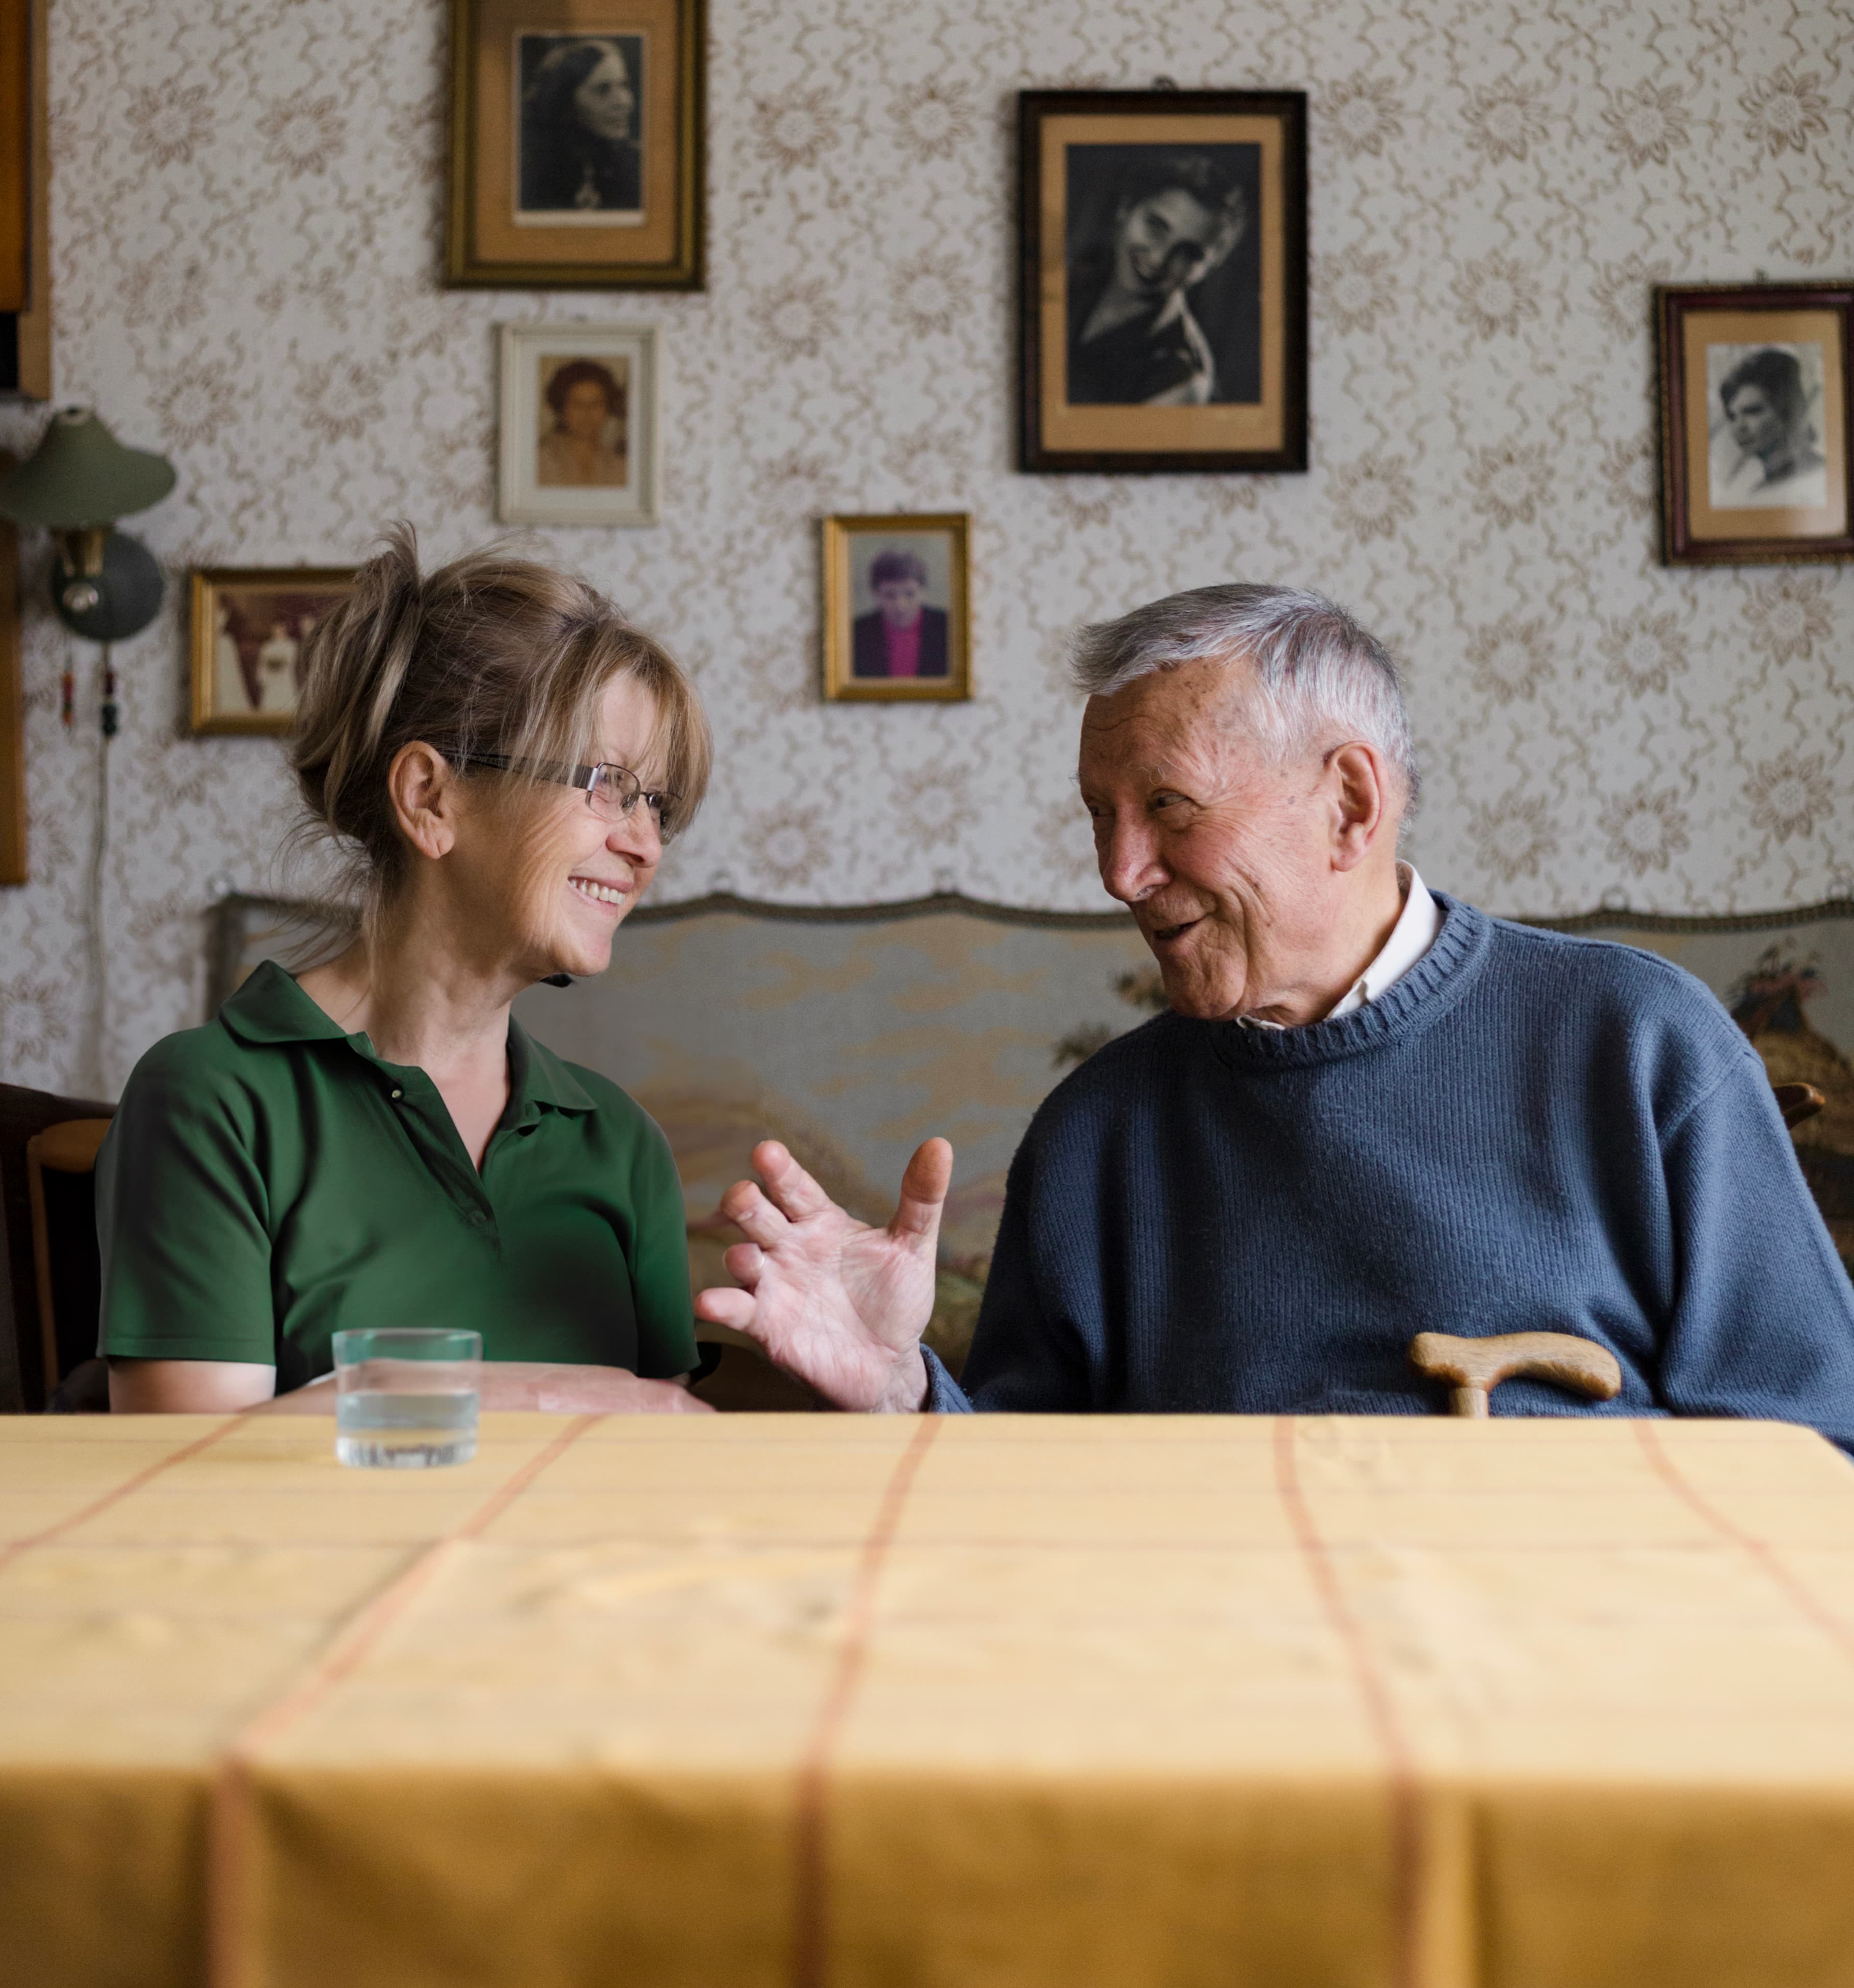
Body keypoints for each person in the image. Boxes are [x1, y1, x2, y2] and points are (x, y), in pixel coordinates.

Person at [701, 583, 1854, 1445]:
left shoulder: (1638, 1042)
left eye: (1165, 805)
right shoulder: (1098, 1130)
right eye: (1098, 814)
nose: (1118, 869)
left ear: (1348, 802)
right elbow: (1021, 1492)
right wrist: (903, 1388)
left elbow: (1811, 1439)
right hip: (1217, 1704)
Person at [96, 531, 711, 1419]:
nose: (644, 843)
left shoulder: (619, 1144)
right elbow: (183, 1465)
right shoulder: (209, 1097)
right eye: (606, 784)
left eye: (657, 803)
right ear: (429, 796)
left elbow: (653, 1455)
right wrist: (545, 1392)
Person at [1066, 159, 1253, 408]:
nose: (1158, 260)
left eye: (1188, 253)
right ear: (1125, 210)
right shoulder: (1071, 274)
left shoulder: (1178, 380)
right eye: (1156, 227)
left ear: (1210, 268)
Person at [518, 37, 642, 215]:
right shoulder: (533, 174)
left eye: (624, 85)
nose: (624, 102)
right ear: (565, 102)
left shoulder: (638, 166)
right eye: (602, 90)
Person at [1712, 347, 1828, 508]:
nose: (1739, 427)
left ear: (1787, 411)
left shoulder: (1823, 476)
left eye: (1753, 411)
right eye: (1732, 417)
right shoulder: (1755, 495)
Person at [852, 548, 949, 681]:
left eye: (910, 594)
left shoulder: (947, 628)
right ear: (876, 595)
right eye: (890, 595)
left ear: (923, 591)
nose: (900, 605)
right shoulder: (856, 633)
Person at [534, 357, 628, 490]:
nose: (587, 412)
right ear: (562, 411)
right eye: (577, 404)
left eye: (596, 404)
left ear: (608, 410)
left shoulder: (622, 468)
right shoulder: (539, 463)